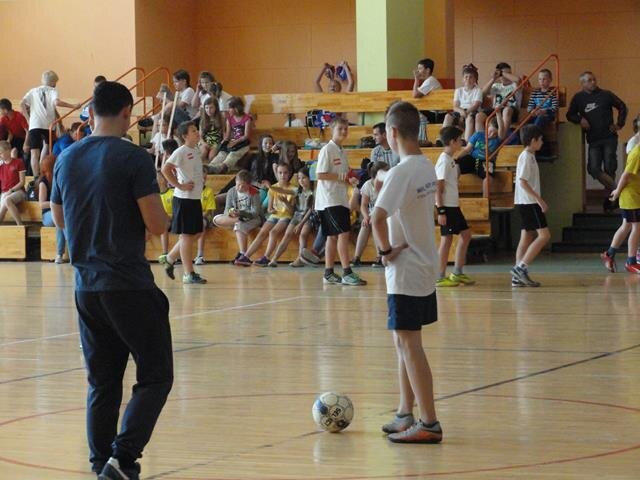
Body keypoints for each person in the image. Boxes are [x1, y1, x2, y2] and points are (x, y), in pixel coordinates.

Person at [50, 81, 172, 479]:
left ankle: (100, 463)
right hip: (128, 284)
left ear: (90, 112)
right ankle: (123, 457)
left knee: (102, 382)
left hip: (86, 287)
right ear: (126, 113)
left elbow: (60, 217)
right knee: (156, 375)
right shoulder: (133, 157)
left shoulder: (67, 157)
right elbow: (156, 225)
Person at [370, 100, 442, 444]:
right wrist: (384, 177)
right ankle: (405, 412)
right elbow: (400, 182)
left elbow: (376, 218)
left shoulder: (401, 173)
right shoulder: (425, 166)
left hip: (406, 268)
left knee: (409, 344)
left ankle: (428, 422)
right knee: (404, 341)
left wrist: (385, 251)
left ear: (392, 132)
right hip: (424, 264)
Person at [566, 71, 628, 212]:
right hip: (593, 139)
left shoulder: (606, 94)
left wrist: (619, 124)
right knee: (593, 169)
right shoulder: (578, 98)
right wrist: (580, 119)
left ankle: (611, 202)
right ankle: (620, 191)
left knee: (610, 168)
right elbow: (570, 114)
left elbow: (622, 106)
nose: (593, 82)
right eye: (589, 80)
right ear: (582, 83)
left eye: (594, 79)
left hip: (609, 137)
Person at [315, 117, 366, 286]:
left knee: (332, 237)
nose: (344, 131)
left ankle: (328, 273)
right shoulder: (327, 150)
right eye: (340, 129)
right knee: (343, 234)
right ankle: (347, 272)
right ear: (332, 130)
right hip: (329, 200)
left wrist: (351, 178)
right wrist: (341, 176)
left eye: (346, 128)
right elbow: (320, 174)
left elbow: (344, 174)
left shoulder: (342, 151)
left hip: (340, 198)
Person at [159, 121, 208, 284]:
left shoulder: (195, 150)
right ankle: (189, 274)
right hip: (184, 199)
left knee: (197, 233)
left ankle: (170, 258)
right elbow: (165, 169)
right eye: (193, 131)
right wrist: (179, 185)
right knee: (186, 236)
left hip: (194, 199)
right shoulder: (180, 151)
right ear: (185, 136)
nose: (197, 132)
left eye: (197, 130)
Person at [511, 125, 550, 287]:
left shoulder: (529, 156)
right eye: (540, 140)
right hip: (529, 202)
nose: (542, 142)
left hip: (524, 202)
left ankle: (516, 277)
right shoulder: (526, 157)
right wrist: (539, 200)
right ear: (533, 140)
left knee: (526, 237)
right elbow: (522, 181)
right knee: (544, 236)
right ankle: (520, 268)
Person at [434, 126, 474, 287]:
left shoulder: (450, 159)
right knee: (446, 240)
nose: (462, 142)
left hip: (453, 206)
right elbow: (438, 188)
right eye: (459, 139)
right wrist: (441, 211)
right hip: (447, 207)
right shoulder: (443, 161)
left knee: (466, 235)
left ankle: (457, 273)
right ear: (452, 141)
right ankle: (439, 276)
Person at [236, 162, 297, 266]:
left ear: (290, 173)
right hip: (275, 215)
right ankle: (246, 256)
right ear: (277, 174)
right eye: (280, 173)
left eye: (285, 173)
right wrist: (271, 210)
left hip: (286, 216)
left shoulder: (293, 189)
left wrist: (285, 202)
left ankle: (266, 257)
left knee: (273, 232)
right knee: (262, 232)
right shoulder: (273, 188)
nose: (283, 175)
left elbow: (292, 211)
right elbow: (269, 209)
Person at [21, 70, 80, 176]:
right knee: (47, 146)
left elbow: (22, 104)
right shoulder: (53, 90)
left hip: (35, 124)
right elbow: (56, 102)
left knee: (34, 153)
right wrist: (73, 106)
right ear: (53, 82)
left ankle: (36, 177)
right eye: (55, 82)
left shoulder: (33, 91)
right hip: (48, 125)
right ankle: (42, 172)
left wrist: (28, 119)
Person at [600, 144, 640, 274]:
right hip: (631, 196)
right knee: (636, 227)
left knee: (626, 226)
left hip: (635, 194)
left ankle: (609, 254)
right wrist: (617, 191)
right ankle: (631, 262)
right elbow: (626, 175)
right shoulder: (637, 153)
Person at [269, 166, 315, 267]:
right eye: (299, 178)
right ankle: (274, 259)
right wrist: (270, 187)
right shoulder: (297, 191)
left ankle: (300, 259)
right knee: (287, 235)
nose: (301, 180)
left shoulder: (313, 192)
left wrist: (300, 224)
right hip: (297, 216)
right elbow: (282, 190)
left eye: (304, 178)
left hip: (308, 218)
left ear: (310, 178)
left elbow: (310, 210)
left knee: (303, 235)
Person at [213, 170, 263, 263]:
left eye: (243, 186)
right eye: (238, 185)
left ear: (249, 185)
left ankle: (242, 254)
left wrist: (241, 213)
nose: (239, 188)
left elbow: (255, 213)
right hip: (235, 218)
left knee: (240, 225)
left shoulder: (254, 193)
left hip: (252, 218)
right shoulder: (231, 191)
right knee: (216, 219)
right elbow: (227, 209)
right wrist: (231, 213)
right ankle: (237, 221)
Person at [351, 161, 389, 267]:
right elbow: (363, 205)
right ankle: (356, 257)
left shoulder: (388, 184)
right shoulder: (367, 185)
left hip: (386, 213)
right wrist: (366, 216)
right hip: (372, 214)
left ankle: (380, 256)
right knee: (365, 224)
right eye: (386, 171)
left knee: (375, 222)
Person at [208, 96, 252, 174]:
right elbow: (228, 135)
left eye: (229, 108)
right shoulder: (229, 119)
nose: (228, 110)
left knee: (233, 154)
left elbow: (246, 136)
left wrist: (235, 142)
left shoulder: (247, 119)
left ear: (236, 108)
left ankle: (224, 167)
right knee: (222, 153)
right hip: (232, 142)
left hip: (243, 143)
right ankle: (211, 166)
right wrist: (224, 141)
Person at [442, 64, 483, 141]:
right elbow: (455, 106)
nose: (468, 79)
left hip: (472, 111)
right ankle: (443, 139)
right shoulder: (458, 90)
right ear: (463, 79)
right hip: (460, 111)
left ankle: (466, 141)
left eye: (471, 77)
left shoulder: (478, 90)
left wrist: (465, 113)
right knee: (448, 116)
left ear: (475, 79)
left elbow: (476, 105)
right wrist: (461, 112)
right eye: (466, 77)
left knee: (469, 118)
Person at [38, 154, 66, 263]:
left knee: (61, 218)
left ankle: (60, 254)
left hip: (60, 211)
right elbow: (41, 204)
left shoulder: (59, 178)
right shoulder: (43, 182)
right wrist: (55, 203)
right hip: (47, 215)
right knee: (58, 218)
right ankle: (61, 252)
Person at [481, 62, 522, 128]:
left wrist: (502, 73)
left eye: (509, 73)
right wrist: (493, 79)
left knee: (506, 110)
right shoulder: (495, 86)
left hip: (512, 111)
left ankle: (503, 133)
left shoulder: (515, 85)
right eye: (504, 74)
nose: (507, 76)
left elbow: (518, 80)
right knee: (479, 116)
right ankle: (480, 134)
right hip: (496, 110)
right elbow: (482, 94)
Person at [194, 166, 217, 265]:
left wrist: (198, 217)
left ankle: (200, 255)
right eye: (201, 178)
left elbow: (208, 211)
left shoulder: (209, 191)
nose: (203, 180)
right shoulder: (191, 190)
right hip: (192, 216)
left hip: (204, 217)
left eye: (205, 178)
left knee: (201, 224)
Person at [0, 140, 26, 225]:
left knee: (7, 200)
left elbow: (22, 182)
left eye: (1, 153)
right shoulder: (1, 166)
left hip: (18, 191)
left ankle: (20, 225)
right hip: (5, 193)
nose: (0, 155)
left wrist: (11, 191)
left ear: (8, 151)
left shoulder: (18, 162)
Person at [199, 97, 224, 162]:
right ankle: (198, 167)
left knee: (211, 157)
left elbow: (224, 135)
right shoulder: (203, 120)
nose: (208, 110)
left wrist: (218, 145)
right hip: (205, 142)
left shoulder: (221, 119)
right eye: (206, 108)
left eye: (211, 107)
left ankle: (209, 167)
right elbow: (200, 136)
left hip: (216, 143)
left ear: (216, 108)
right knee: (203, 153)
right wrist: (204, 143)